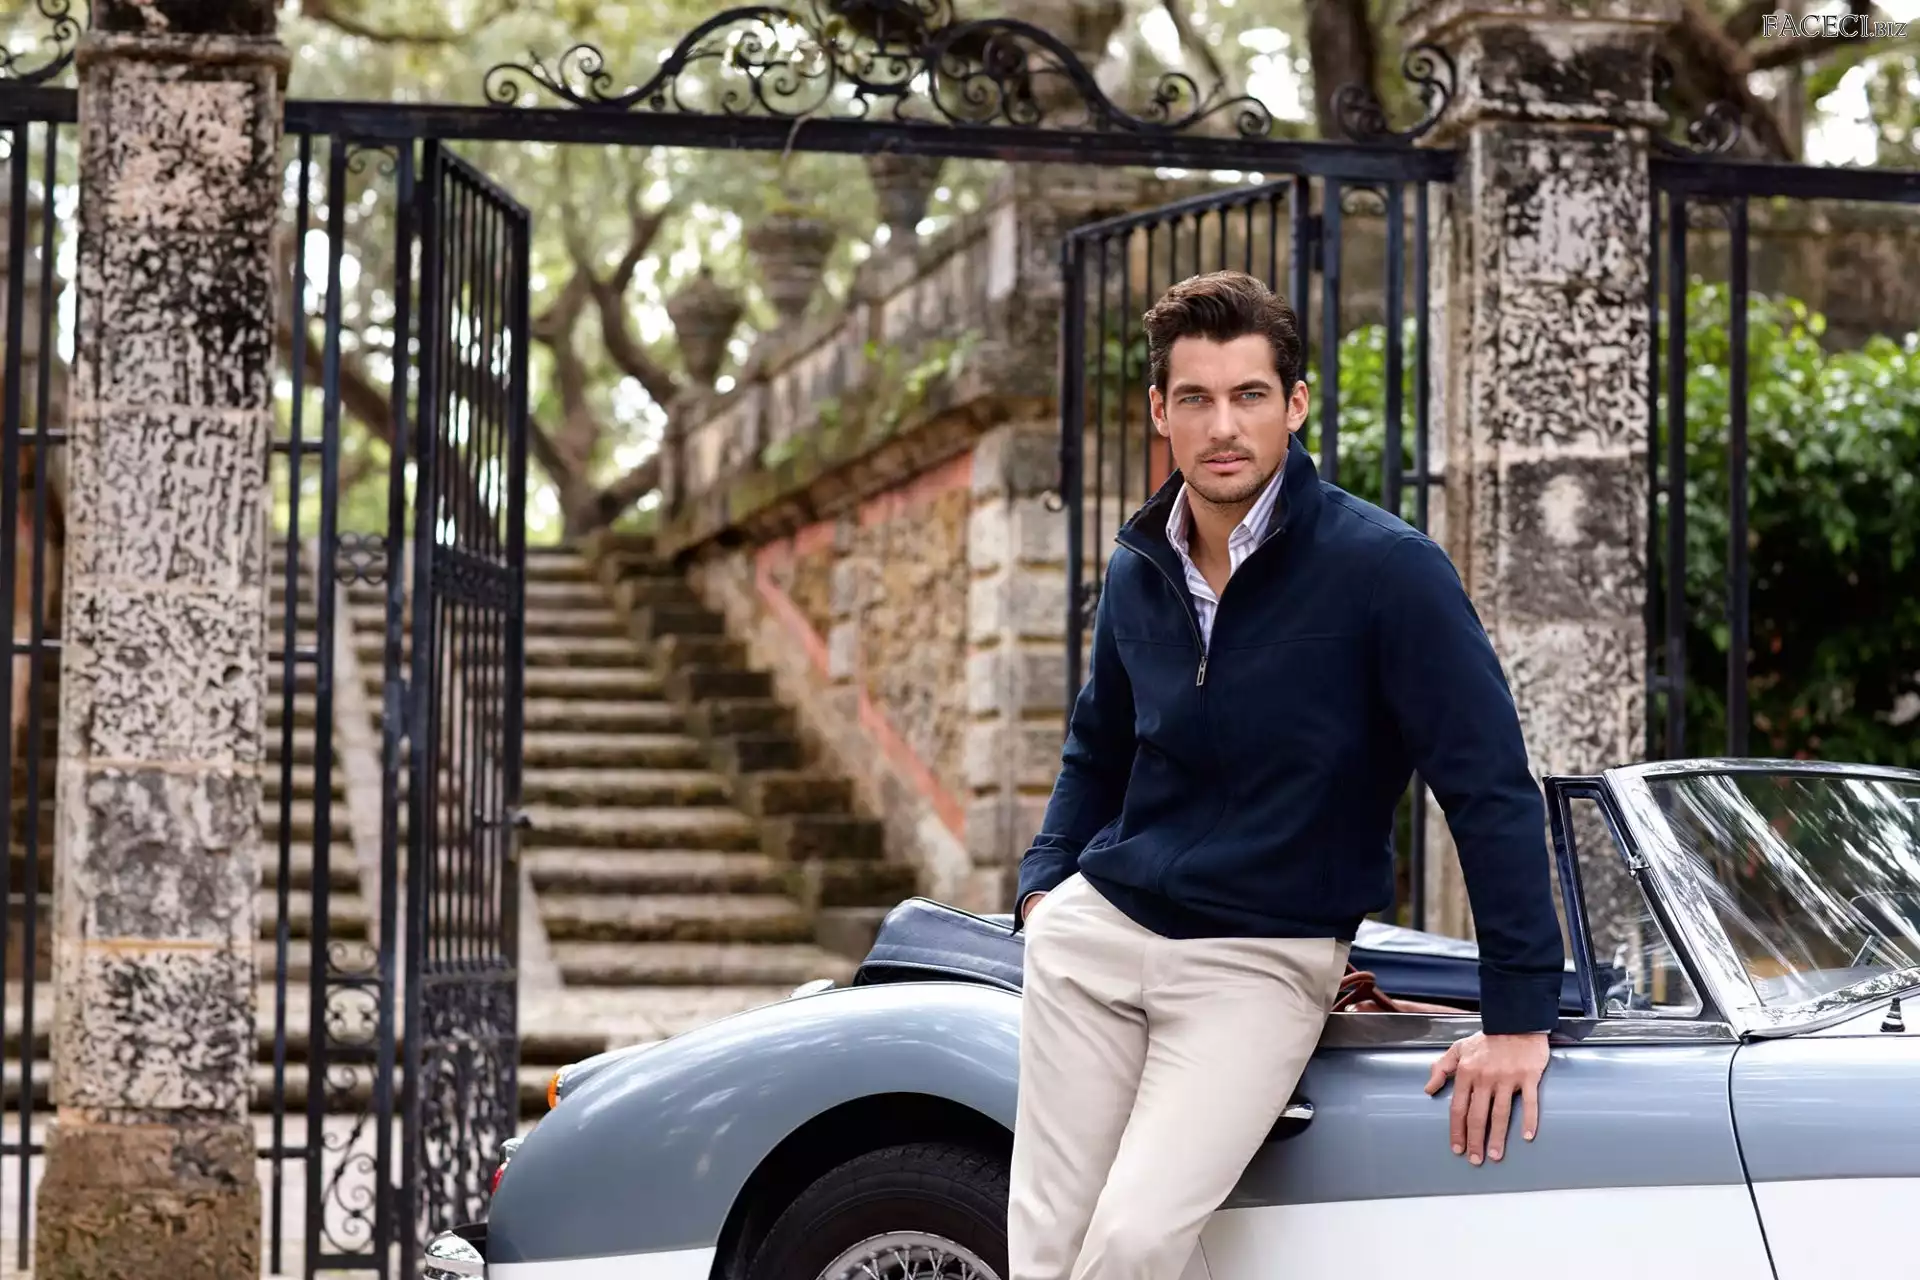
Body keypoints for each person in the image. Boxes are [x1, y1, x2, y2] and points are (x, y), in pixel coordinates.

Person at [1006, 270, 1566, 1280]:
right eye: (1195, 398)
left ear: (1295, 404)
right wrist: (1045, 886)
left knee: (1133, 1240)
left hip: (1259, 960)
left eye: (1249, 395)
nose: (1223, 426)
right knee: (1048, 1245)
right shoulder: (1139, 566)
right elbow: (1098, 746)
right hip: (1095, 939)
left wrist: (1518, 1015)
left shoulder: (1387, 571)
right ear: (1160, 412)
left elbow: (1488, 787)